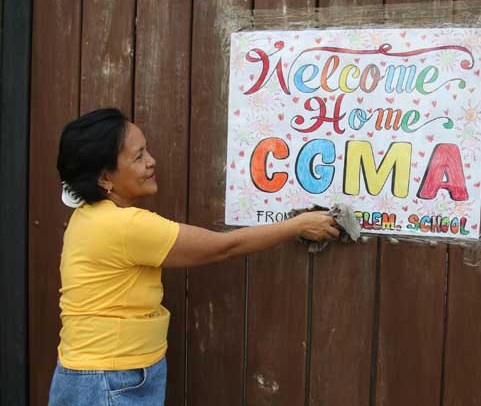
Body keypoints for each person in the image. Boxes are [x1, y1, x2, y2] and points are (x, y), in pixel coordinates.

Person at [48, 108, 339, 406]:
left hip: (109, 373)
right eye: (138, 157)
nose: (151, 162)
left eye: (146, 151)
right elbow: (221, 247)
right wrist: (298, 225)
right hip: (107, 380)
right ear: (105, 177)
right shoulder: (123, 226)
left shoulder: (91, 217)